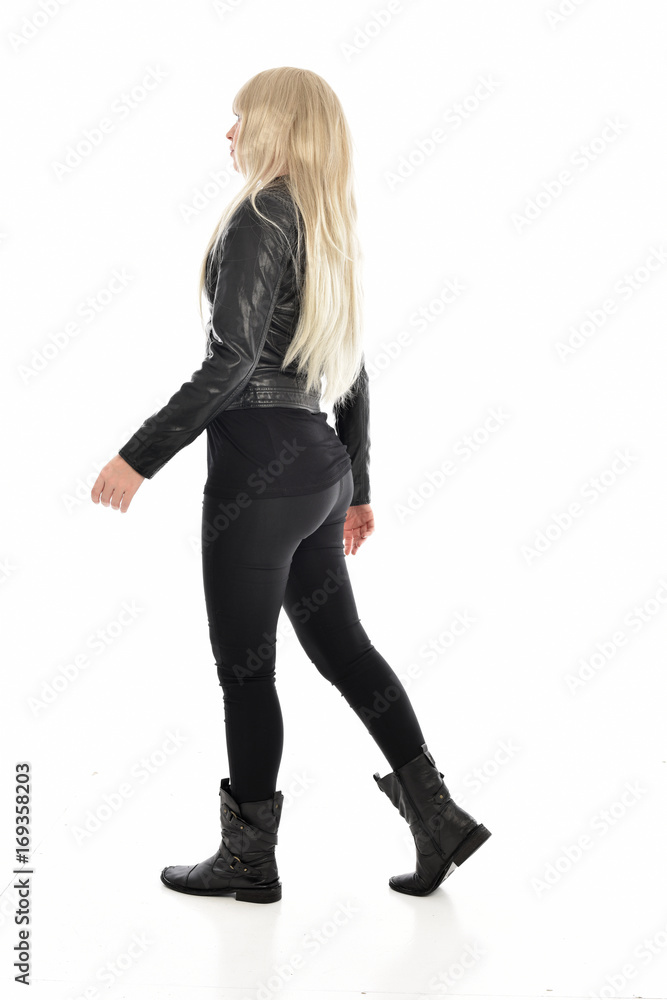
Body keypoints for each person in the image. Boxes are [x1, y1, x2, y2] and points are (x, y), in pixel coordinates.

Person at [90, 67, 491, 904]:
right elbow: (351, 367)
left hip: (260, 471)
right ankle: (438, 815)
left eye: (239, 120)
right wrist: (358, 486)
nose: (228, 135)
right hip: (317, 470)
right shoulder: (324, 221)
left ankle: (248, 860)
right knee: (343, 650)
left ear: (275, 127)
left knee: (246, 671)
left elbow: (233, 362)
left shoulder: (260, 214)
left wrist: (139, 455)